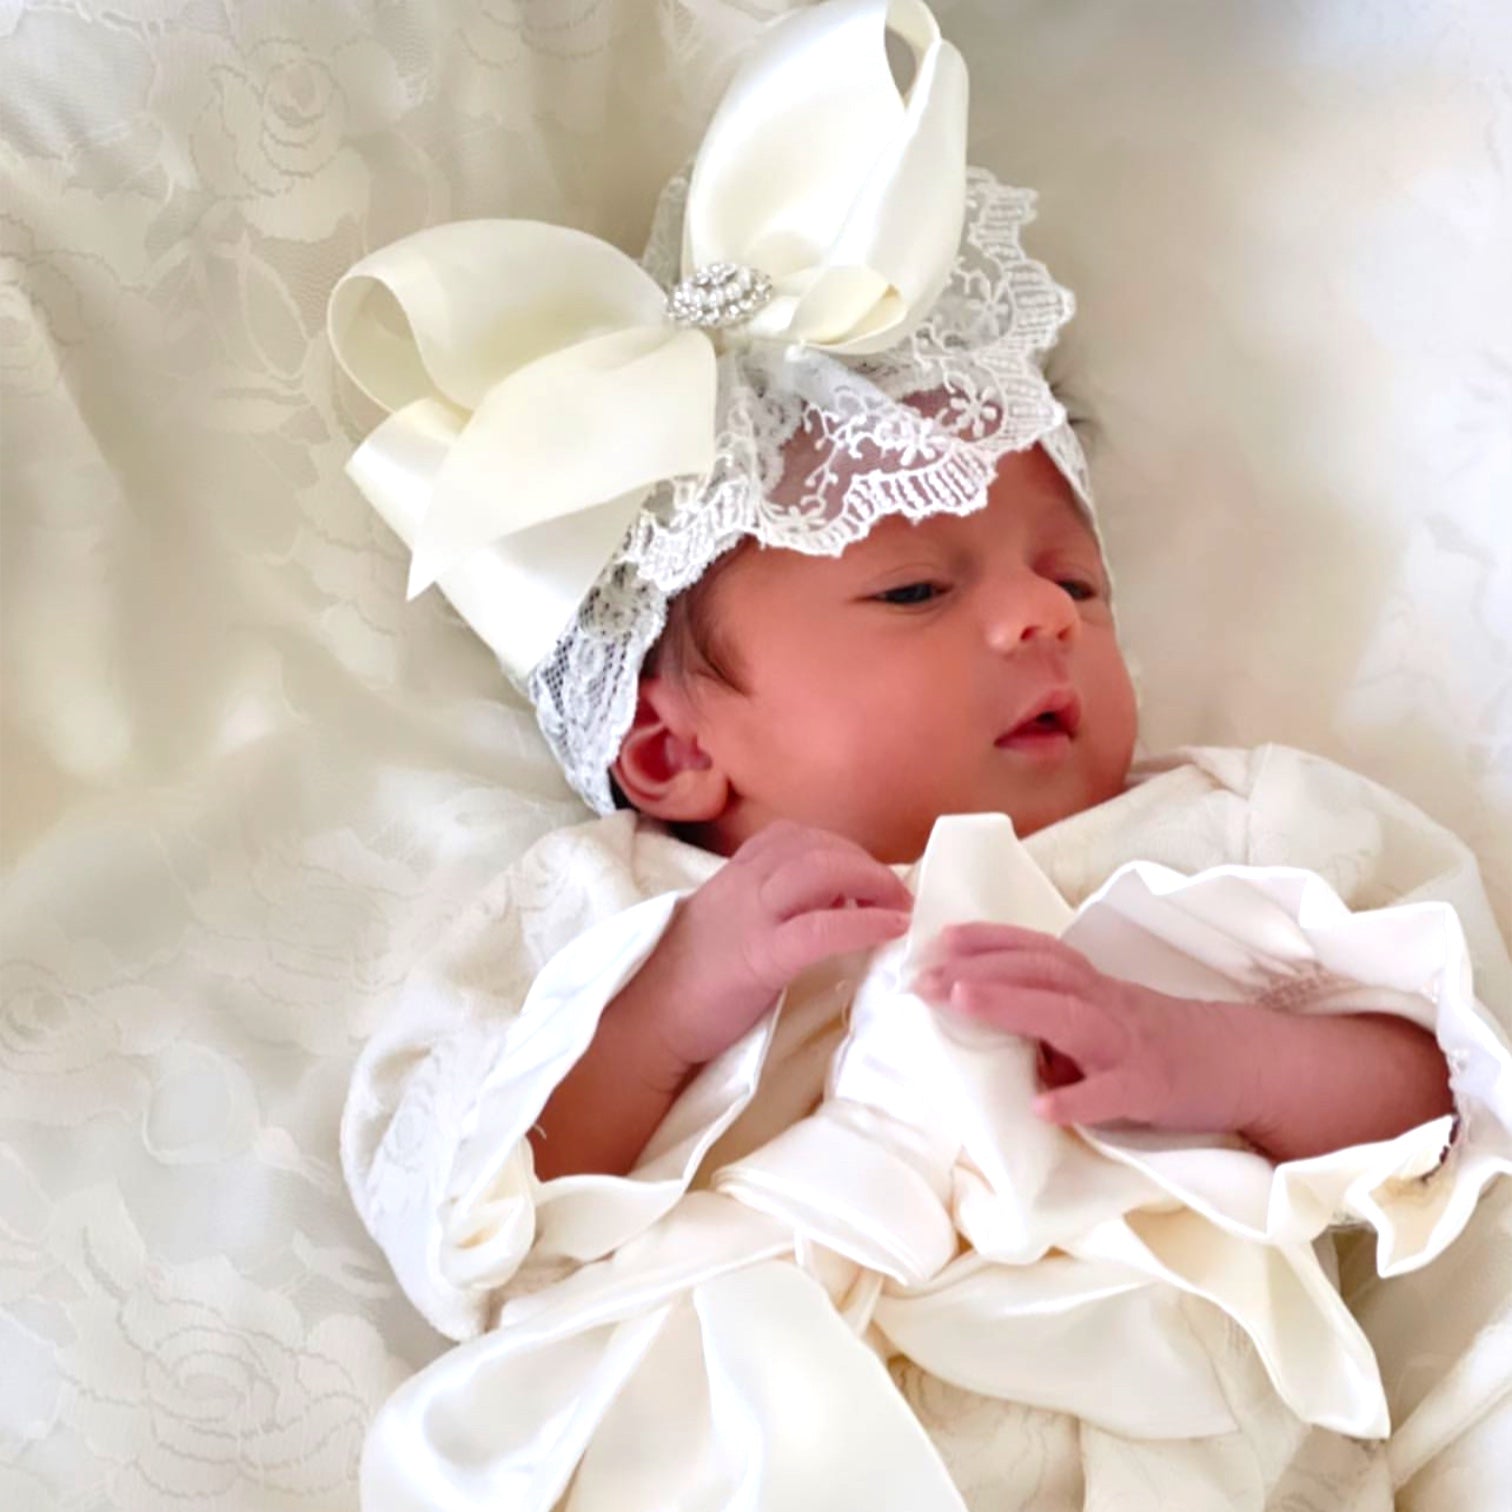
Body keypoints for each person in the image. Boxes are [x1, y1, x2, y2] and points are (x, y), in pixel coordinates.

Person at [329, 3, 1512, 1507]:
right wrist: (681, 998)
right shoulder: (610, 918)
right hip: (732, 1406)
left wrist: (1201, 1055)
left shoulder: (1226, 836)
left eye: (1077, 583)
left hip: (1143, 1404)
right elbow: (470, 1196)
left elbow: (1444, 1092)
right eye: (914, 588)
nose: (1040, 618)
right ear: (668, 747)